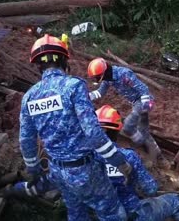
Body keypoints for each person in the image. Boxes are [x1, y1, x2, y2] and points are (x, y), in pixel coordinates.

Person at [19, 34, 132, 221]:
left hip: (57, 171)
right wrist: (120, 162)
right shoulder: (74, 87)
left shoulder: (29, 97)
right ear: (64, 59)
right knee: (112, 213)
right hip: (84, 171)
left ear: (38, 65)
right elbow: (94, 133)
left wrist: (34, 171)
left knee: (76, 212)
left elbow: (26, 140)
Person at [95, 105, 179, 221]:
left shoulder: (88, 158)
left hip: (103, 215)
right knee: (176, 200)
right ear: (117, 130)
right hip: (133, 215)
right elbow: (151, 189)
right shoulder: (128, 156)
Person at [87, 57, 168, 168]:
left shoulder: (124, 74)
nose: (96, 80)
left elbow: (143, 89)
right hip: (135, 103)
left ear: (103, 73)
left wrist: (144, 108)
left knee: (128, 126)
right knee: (143, 131)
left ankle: (143, 148)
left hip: (144, 100)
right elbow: (100, 92)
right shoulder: (108, 79)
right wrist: (85, 96)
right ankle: (158, 156)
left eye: (97, 77)